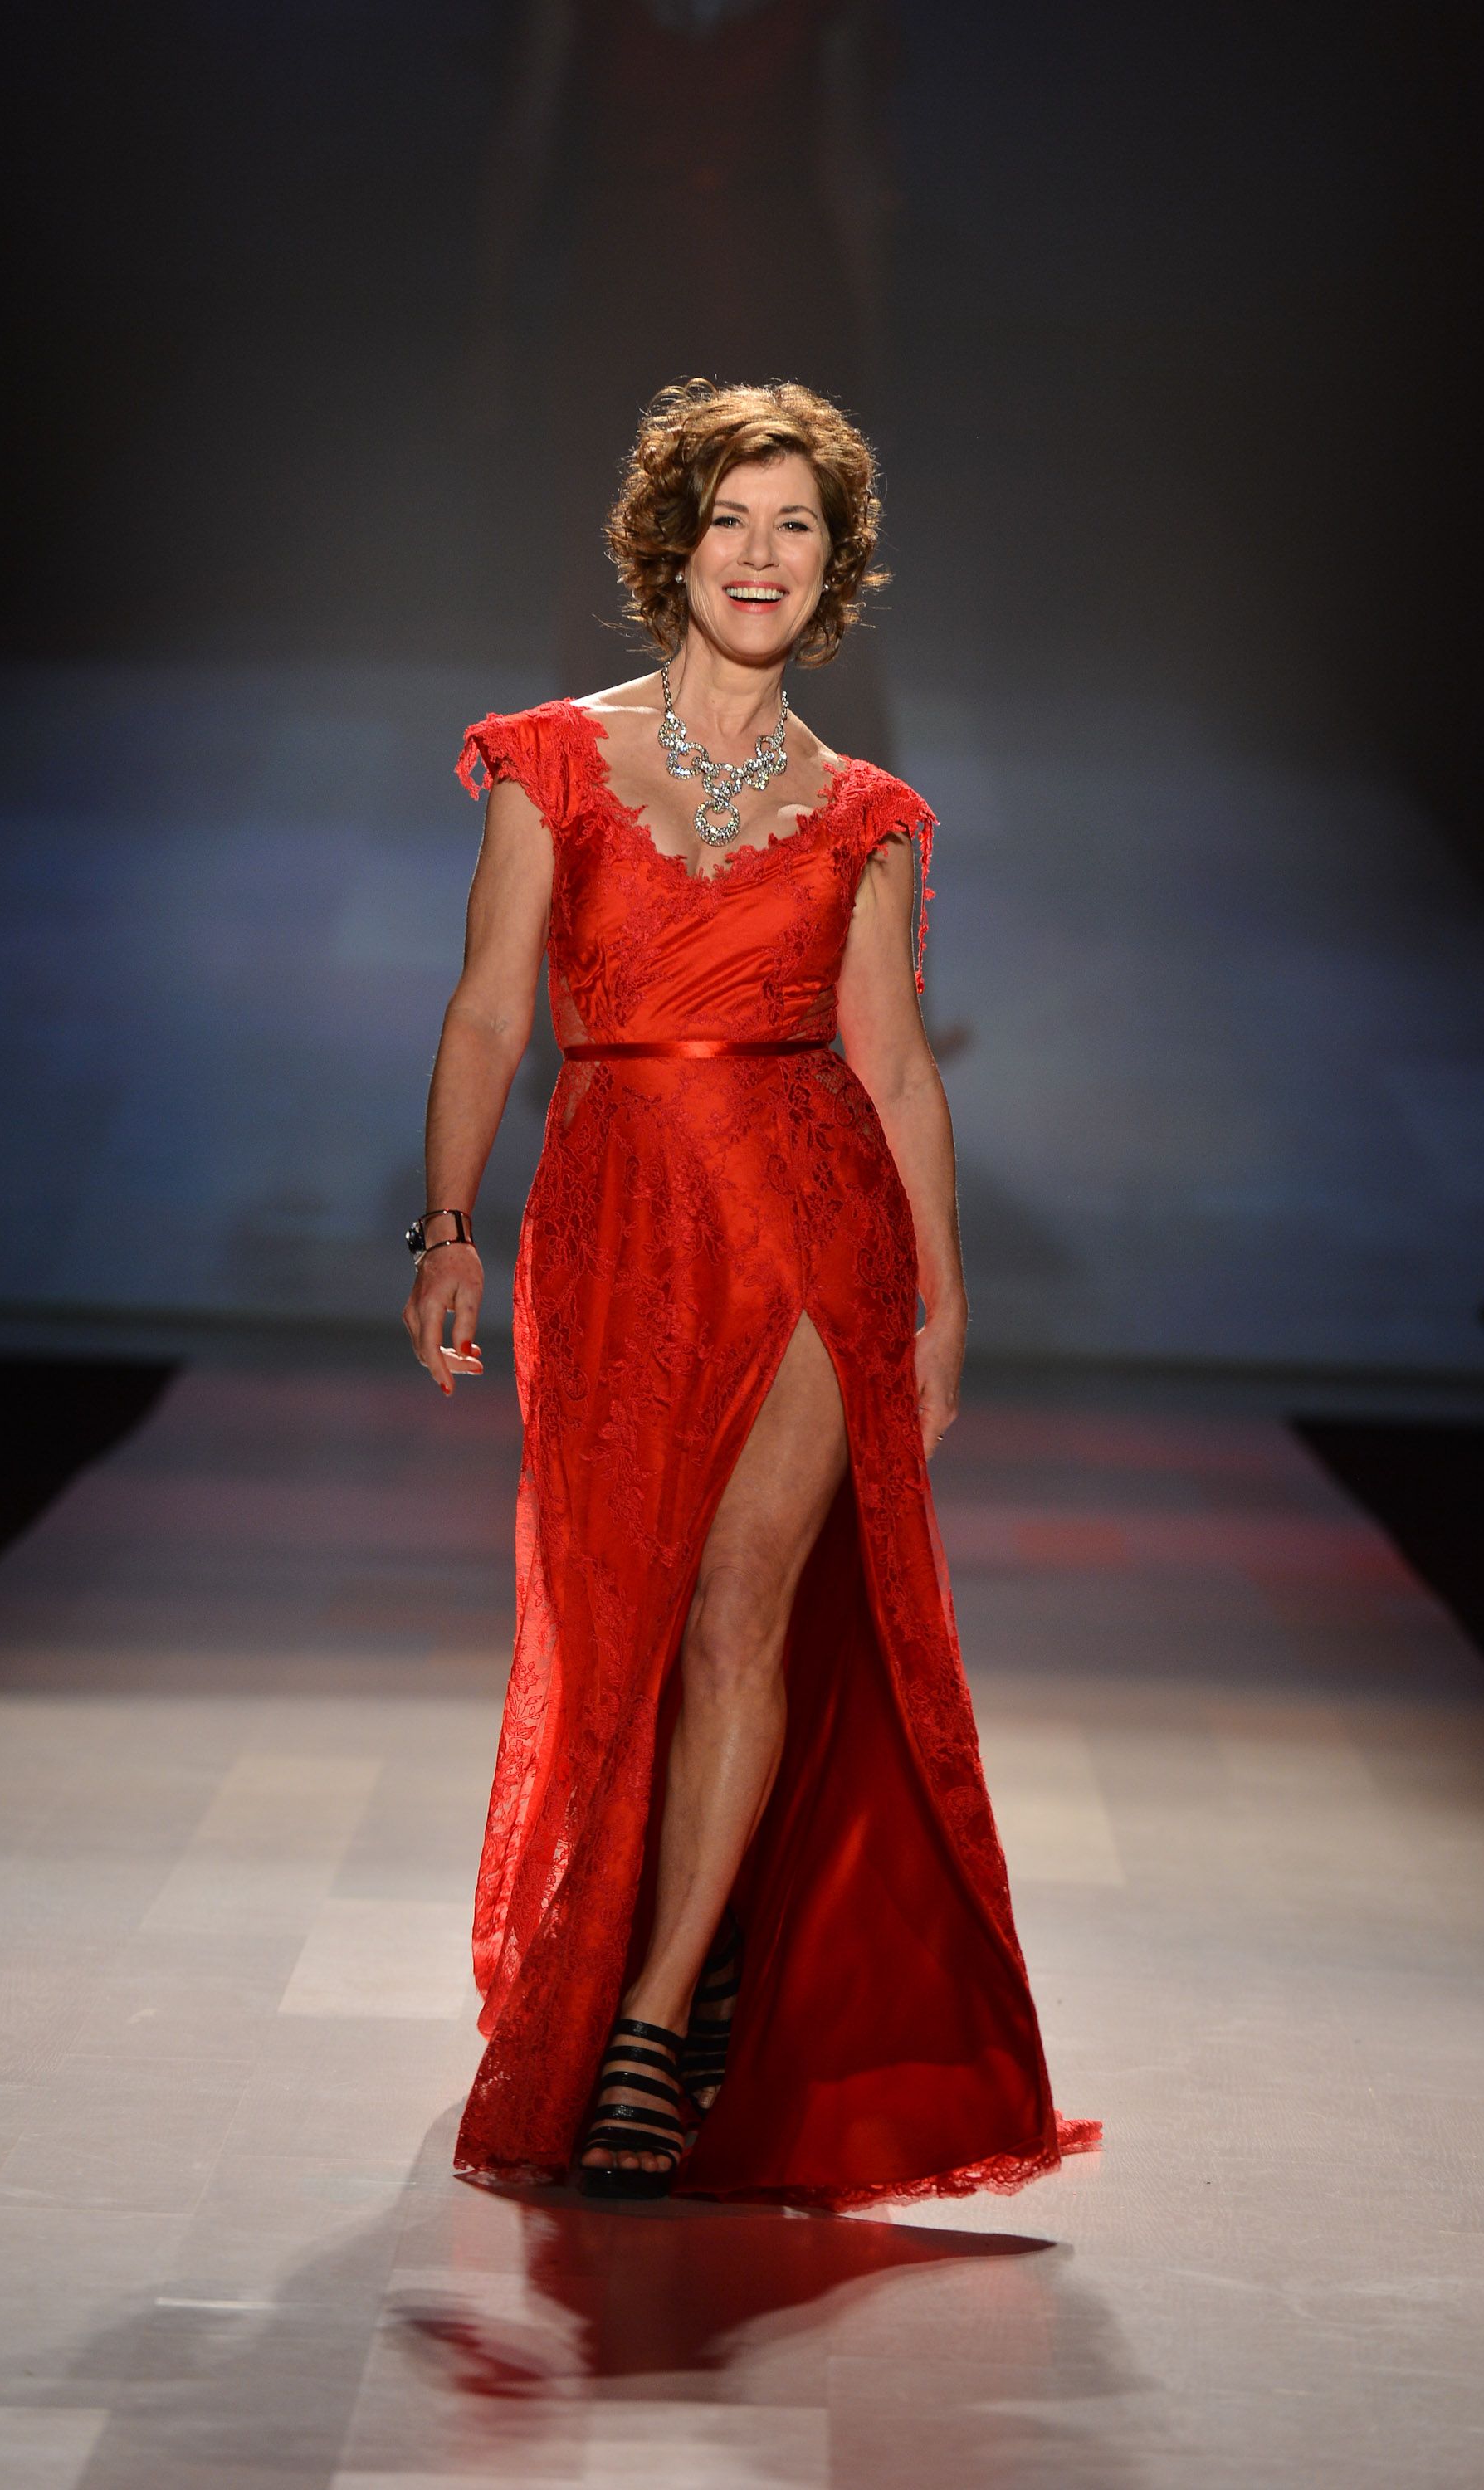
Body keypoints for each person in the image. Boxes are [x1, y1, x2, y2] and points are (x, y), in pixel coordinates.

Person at [404, 379, 1100, 2205]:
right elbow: (487, 1008)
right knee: (617, 1618)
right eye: (732, 516)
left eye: (797, 524)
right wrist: (445, 1225)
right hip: (613, 1226)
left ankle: (647, 2026)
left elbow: (897, 1072)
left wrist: (941, 1303)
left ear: (834, 564)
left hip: (810, 1226)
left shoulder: (866, 814)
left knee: (736, 1611)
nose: (761, 553)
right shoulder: (550, 762)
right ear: (674, 544)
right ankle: (694, 1942)